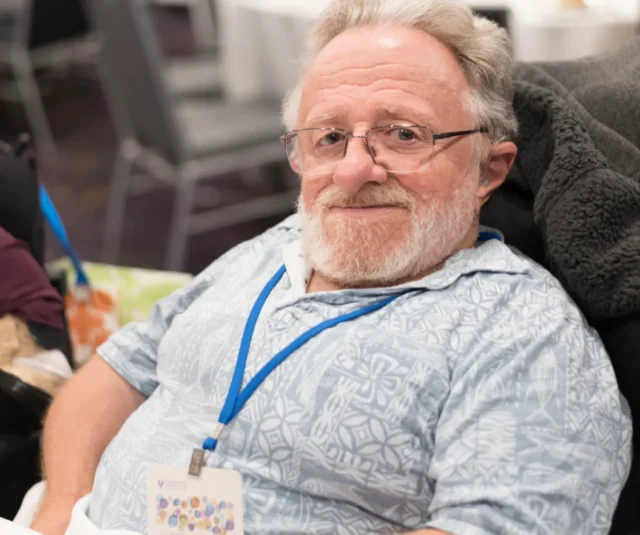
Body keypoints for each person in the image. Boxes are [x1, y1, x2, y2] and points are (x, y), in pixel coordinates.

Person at [31, 0, 631, 534]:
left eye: (402, 134)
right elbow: (121, 366)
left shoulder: (521, 334)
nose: (352, 171)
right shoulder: (279, 244)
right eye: (328, 138)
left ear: (488, 170)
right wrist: (58, 507)